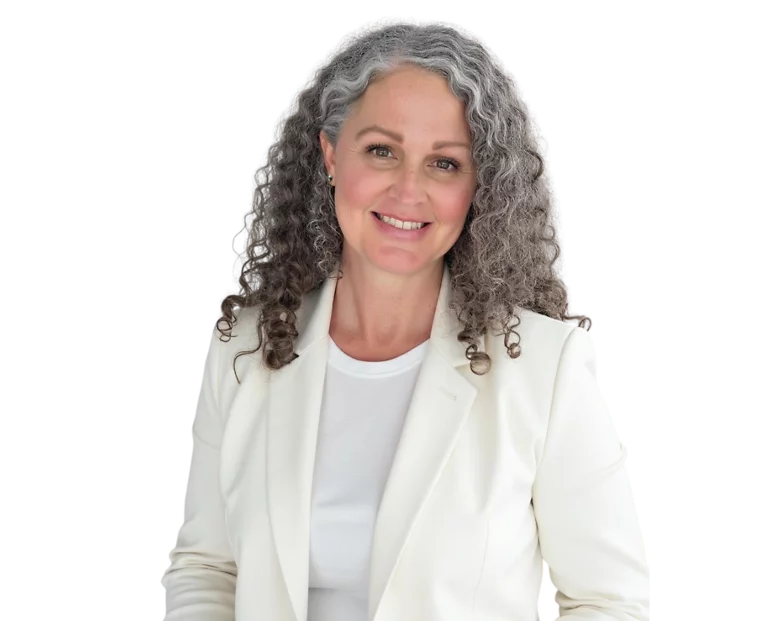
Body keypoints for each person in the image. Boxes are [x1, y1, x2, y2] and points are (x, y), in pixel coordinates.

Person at [163, 20, 656, 621]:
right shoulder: (238, 350)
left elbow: (611, 603)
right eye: (381, 150)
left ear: (479, 187)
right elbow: (205, 569)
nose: (408, 190)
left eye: (444, 164)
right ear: (329, 157)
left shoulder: (549, 371)